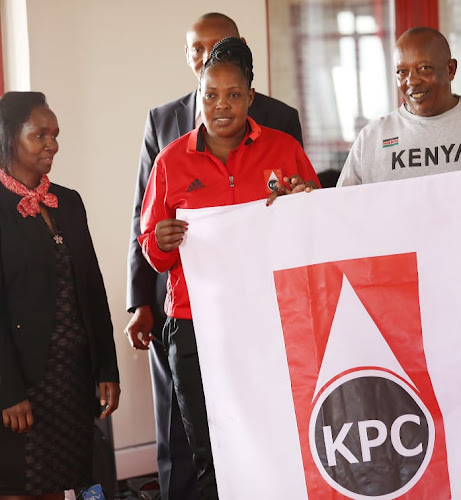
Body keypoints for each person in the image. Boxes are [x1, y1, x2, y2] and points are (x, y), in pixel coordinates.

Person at [125, 13, 304, 499]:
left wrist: (303, 203)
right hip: (193, 324)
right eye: (210, 95)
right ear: (198, 94)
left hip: (270, 319)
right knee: (207, 450)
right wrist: (159, 245)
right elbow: (152, 250)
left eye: (232, 95)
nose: (220, 106)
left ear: (250, 98)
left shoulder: (284, 148)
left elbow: (310, 225)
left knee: (274, 436)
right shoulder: (170, 160)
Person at [0, 91, 120, 499]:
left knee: (57, 483)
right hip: (22, 384)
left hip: (70, 380)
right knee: (18, 485)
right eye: (40, 135)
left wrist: (106, 368)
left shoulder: (68, 202)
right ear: (9, 136)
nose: (52, 144)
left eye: (55, 134)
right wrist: (8, 391)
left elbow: (92, 289)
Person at [336, 27, 461, 187]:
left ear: (451, 69)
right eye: (401, 72)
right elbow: (341, 212)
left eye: (424, 68)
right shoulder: (372, 139)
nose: (412, 81)